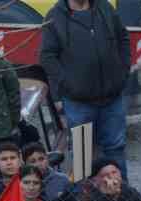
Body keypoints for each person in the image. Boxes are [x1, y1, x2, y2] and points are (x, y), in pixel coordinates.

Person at [39, 0, 130, 176]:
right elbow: (47, 56)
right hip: (79, 103)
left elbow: (123, 38)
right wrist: (68, 85)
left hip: (112, 99)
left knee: (116, 149)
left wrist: (123, 70)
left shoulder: (104, 7)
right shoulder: (54, 17)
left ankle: (123, 199)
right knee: (82, 155)